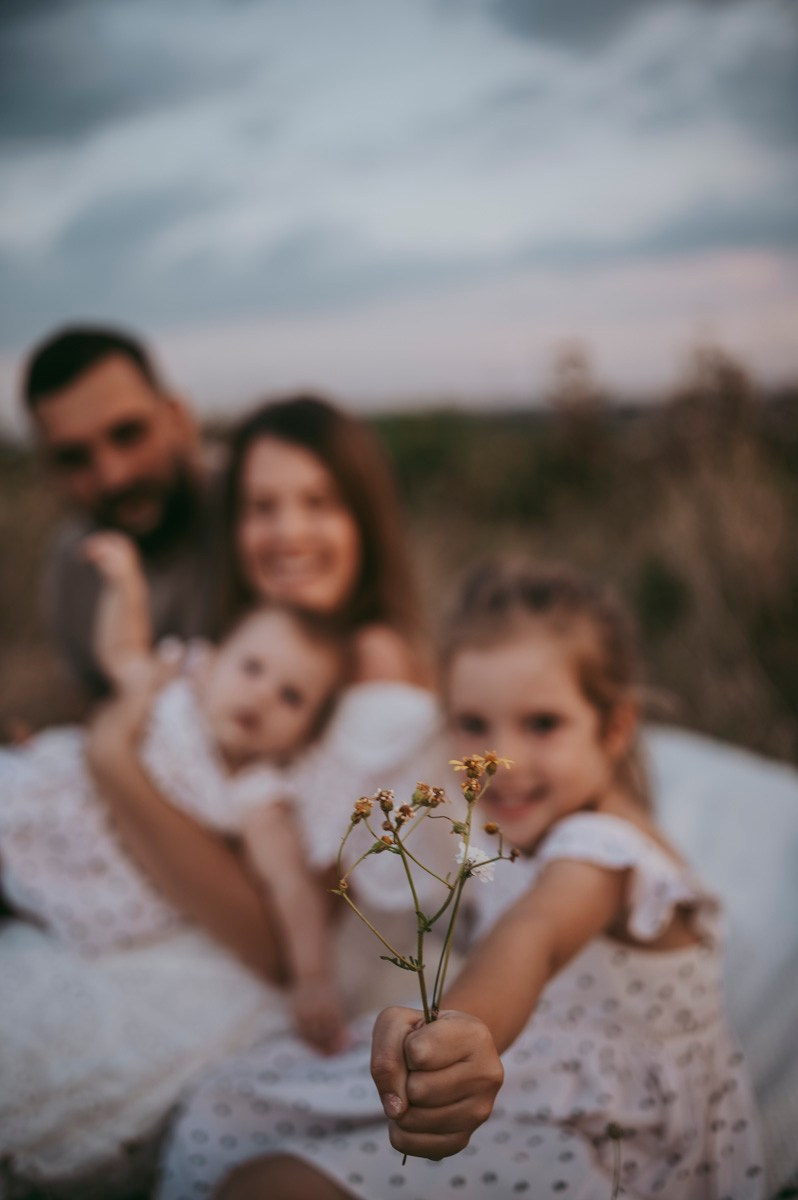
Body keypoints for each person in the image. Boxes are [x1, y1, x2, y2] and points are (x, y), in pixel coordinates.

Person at [156, 559, 764, 1200]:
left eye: (542, 725)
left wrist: (462, 1028)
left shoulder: (604, 852)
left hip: (611, 1141)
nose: (500, 761)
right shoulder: (506, 826)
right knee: (227, 1111)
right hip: (534, 1075)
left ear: (613, 728)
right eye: (473, 725)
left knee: (269, 1188)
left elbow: (534, 935)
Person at [0, 394, 441, 1191]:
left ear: (364, 518)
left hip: (287, 966)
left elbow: (279, 924)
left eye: (318, 502)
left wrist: (112, 762)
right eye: (261, 506)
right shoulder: (254, 638)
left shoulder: (371, 657)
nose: (288, 532)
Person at [1, 530, 350, 1054]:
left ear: (303, 736)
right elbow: (122, 651)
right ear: (211, 663)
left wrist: (313, 978)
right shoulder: (175, 690)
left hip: (88, 867)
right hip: (39, 791)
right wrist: (125, 582)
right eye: (251, 667)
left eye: (292, 696)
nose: (262, 694)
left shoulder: (257, 791)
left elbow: (291, 888)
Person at [22, 324, 213, 699]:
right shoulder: (72, 564)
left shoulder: (261, 512)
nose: (113, 477)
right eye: (74, 458)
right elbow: (91, 708)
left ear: (178, 418)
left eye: (128, 433)